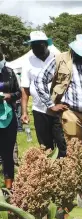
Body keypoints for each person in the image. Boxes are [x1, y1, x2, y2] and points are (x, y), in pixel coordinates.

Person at [35, 34, 82, 155]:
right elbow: (39, 80)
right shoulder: (60, 59)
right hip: (72, 114)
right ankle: (78, 174)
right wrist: (51, 104)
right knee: (75, 152)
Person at [20, 31, 67, 157]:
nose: (35, 48)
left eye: (38, 45)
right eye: (32, 45)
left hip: (58, 109)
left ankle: (64, 172)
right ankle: (49, 172)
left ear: (46, 44)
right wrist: (24, 112)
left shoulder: (58, 58)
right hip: (39, 110)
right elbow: (25, 90)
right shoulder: (27, 62)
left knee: (62, 143)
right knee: (45, 146)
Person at [0, 46, 21, 190]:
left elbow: (19, 92)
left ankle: (9, 187)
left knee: (7, 153)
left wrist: (10, 96)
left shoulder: (9, 72)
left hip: (7, 117)